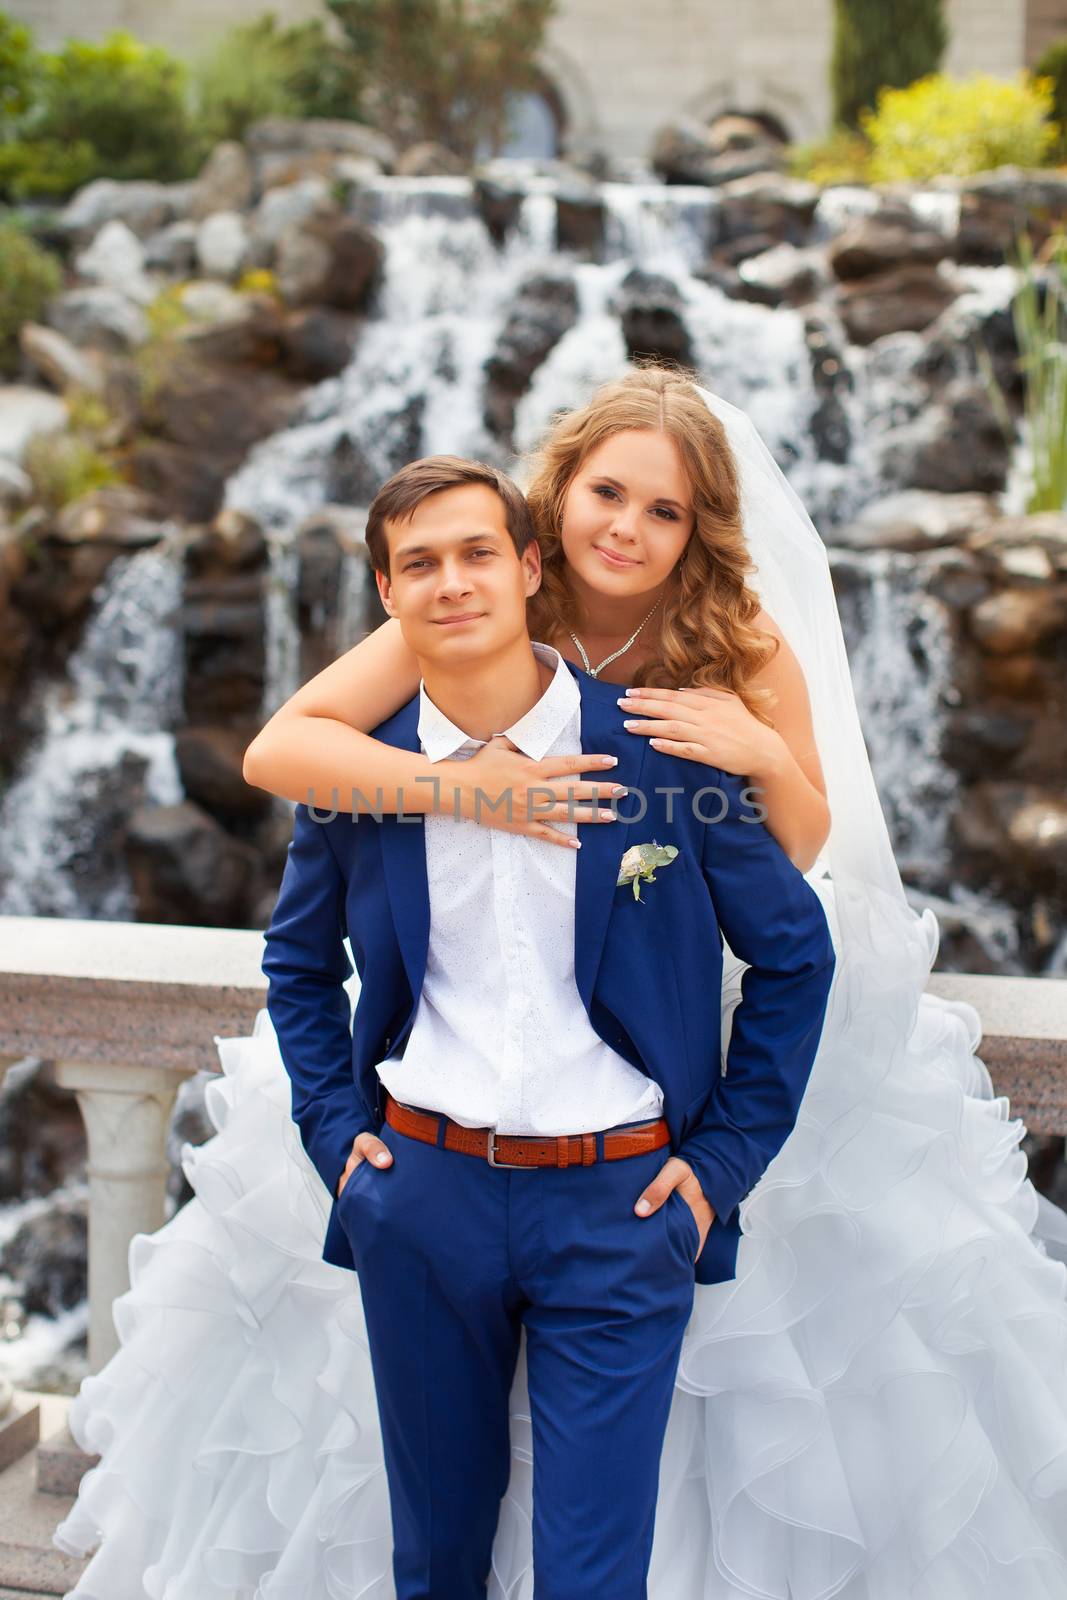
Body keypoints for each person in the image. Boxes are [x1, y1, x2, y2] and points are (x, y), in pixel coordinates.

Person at [53, 366, 1067, 1599]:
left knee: (685, 1457)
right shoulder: (463, 594)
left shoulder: (732, 644)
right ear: (554, 502)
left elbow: (788, 875)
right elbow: (284, 759)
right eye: (606, 494)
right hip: (430, 1142)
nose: (626, 530)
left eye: (665, 512)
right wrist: (463, 788)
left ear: (697, 531)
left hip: (653, 1080)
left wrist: (752, 752)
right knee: (430, 1527)